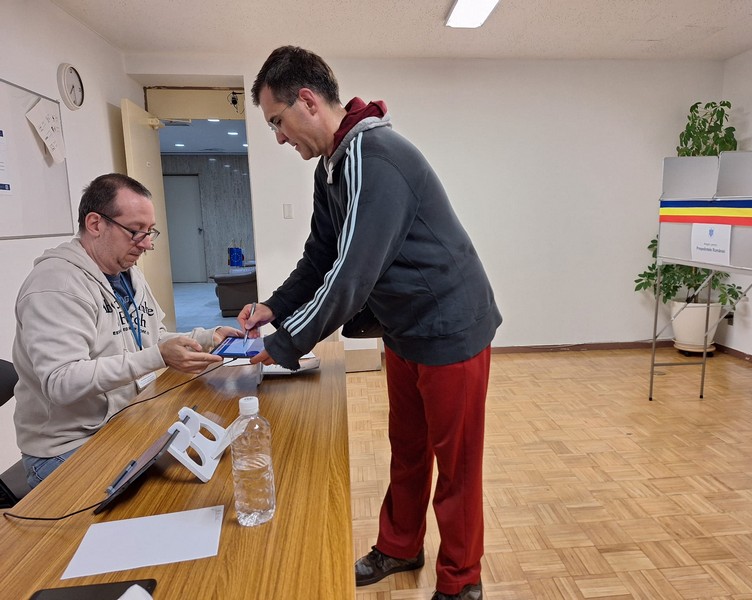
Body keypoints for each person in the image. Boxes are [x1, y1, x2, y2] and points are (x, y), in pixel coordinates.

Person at [242, 46, 501, 600]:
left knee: (456, 467)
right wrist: (273, 308)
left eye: (277, 122)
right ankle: (401, 546)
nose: (279, 138)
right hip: (405, 328)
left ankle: (462, 582)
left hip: (451, 328)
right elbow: (320, 257)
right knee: (407, 446)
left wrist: (285, 344)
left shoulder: (376, 157)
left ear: (307, 101)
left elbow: (351, 276)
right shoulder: (333, 166)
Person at [13, 173, 240, 489]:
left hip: (125, 419)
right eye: (135, 232)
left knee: (215, 461)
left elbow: (151, 338)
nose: (147, 244)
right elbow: (61, 382)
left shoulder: (127, 274)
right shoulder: (56, 284)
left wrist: (205, 337)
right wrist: (158, 357)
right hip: (69, 446)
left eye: (150, 232)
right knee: (168, 496)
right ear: (95, 224)